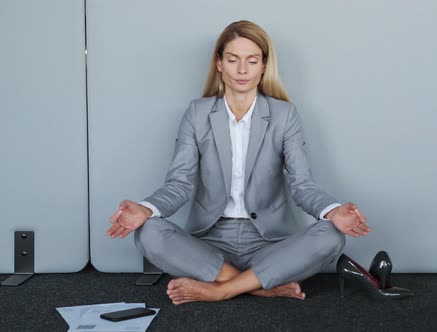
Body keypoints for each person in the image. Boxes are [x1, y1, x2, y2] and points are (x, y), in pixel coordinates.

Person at [107, 20, 370, 305]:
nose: (242, 70)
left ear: (263, 66)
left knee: (331, 235)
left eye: (252, 60)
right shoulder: (197, 113)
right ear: (219, 64)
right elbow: (179, 184)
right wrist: (144, 209)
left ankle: (221, 289)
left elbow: (302, 185)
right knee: (147, 230)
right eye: (233, 60)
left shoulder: (285, 115)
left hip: (269, 243)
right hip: (209, 243)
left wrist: (333, 211)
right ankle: (258, 285)